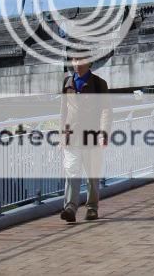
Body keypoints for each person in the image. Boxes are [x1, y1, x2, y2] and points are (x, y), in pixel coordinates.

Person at [60, 51, 111, 223]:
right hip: (72, 136)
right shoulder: (67, 83)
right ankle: (70, 208)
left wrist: (104, 132)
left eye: (80, 60)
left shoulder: (99, 84)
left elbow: (106, 110)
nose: (76, 64)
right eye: (74, 60)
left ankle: (92, 208)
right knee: (72, 171)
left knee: (92, 174)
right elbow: (64, 110)